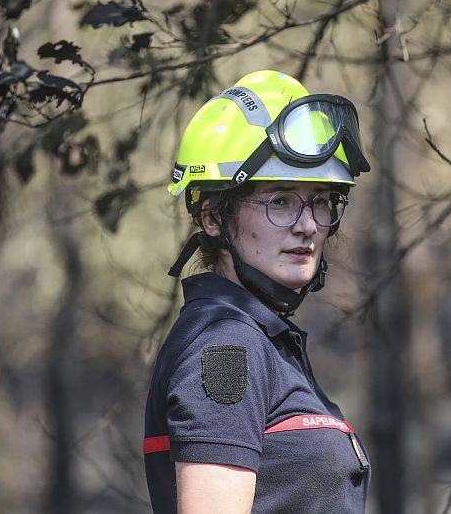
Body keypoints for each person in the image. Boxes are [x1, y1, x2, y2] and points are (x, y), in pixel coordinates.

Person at [143, 70, 371, 513]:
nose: (307, 224)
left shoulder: (261, 342)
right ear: (212, 217)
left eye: (320, 200)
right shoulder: (226, 348)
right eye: (280, 200)